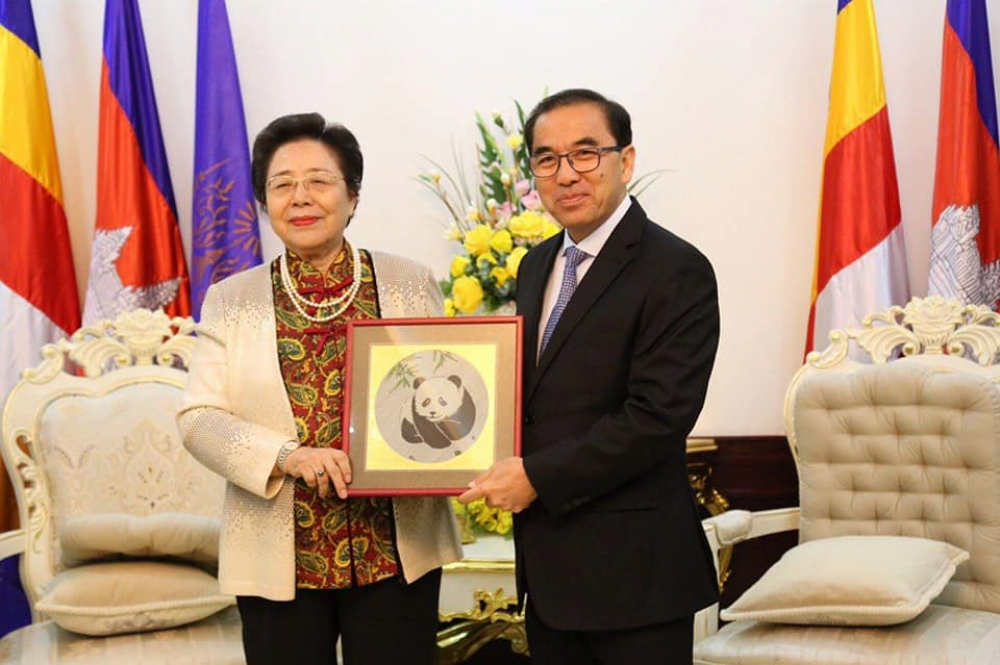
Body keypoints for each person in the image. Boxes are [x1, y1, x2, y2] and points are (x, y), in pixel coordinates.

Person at [178, 112, 462, 665]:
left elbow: (445, 388)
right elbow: (199, 419)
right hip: (277, 553)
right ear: (265, 204)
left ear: (352, 196)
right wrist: (287, 456)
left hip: (395, 549)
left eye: (319, 181)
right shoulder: (231, 300)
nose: (300, 197)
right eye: (282, 185)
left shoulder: (408, 282)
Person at [459, 89, 720, 664]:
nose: (566, 174)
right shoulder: (536, 264)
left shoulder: (676, 269)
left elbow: (657, 418)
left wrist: (536, 477)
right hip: (549, 575)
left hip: (635, 577)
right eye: (547, 159)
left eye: (585, 153)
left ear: (625, 160)